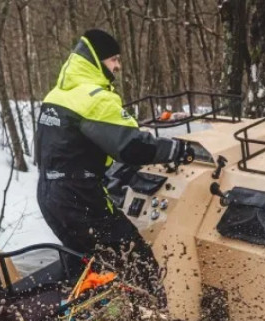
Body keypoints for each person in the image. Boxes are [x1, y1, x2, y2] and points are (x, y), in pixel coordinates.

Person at [35, 28, 193, 294]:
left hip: (49, 194)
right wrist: (175, 149)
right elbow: (131, 148)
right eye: (114, 59)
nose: (118, 66)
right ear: (96, 60)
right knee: (137, 260)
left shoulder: (57, 95)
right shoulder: (96, 98)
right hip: (80, 199)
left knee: (86, 262)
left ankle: (80, 311)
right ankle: (154, 314)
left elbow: (72, 143)